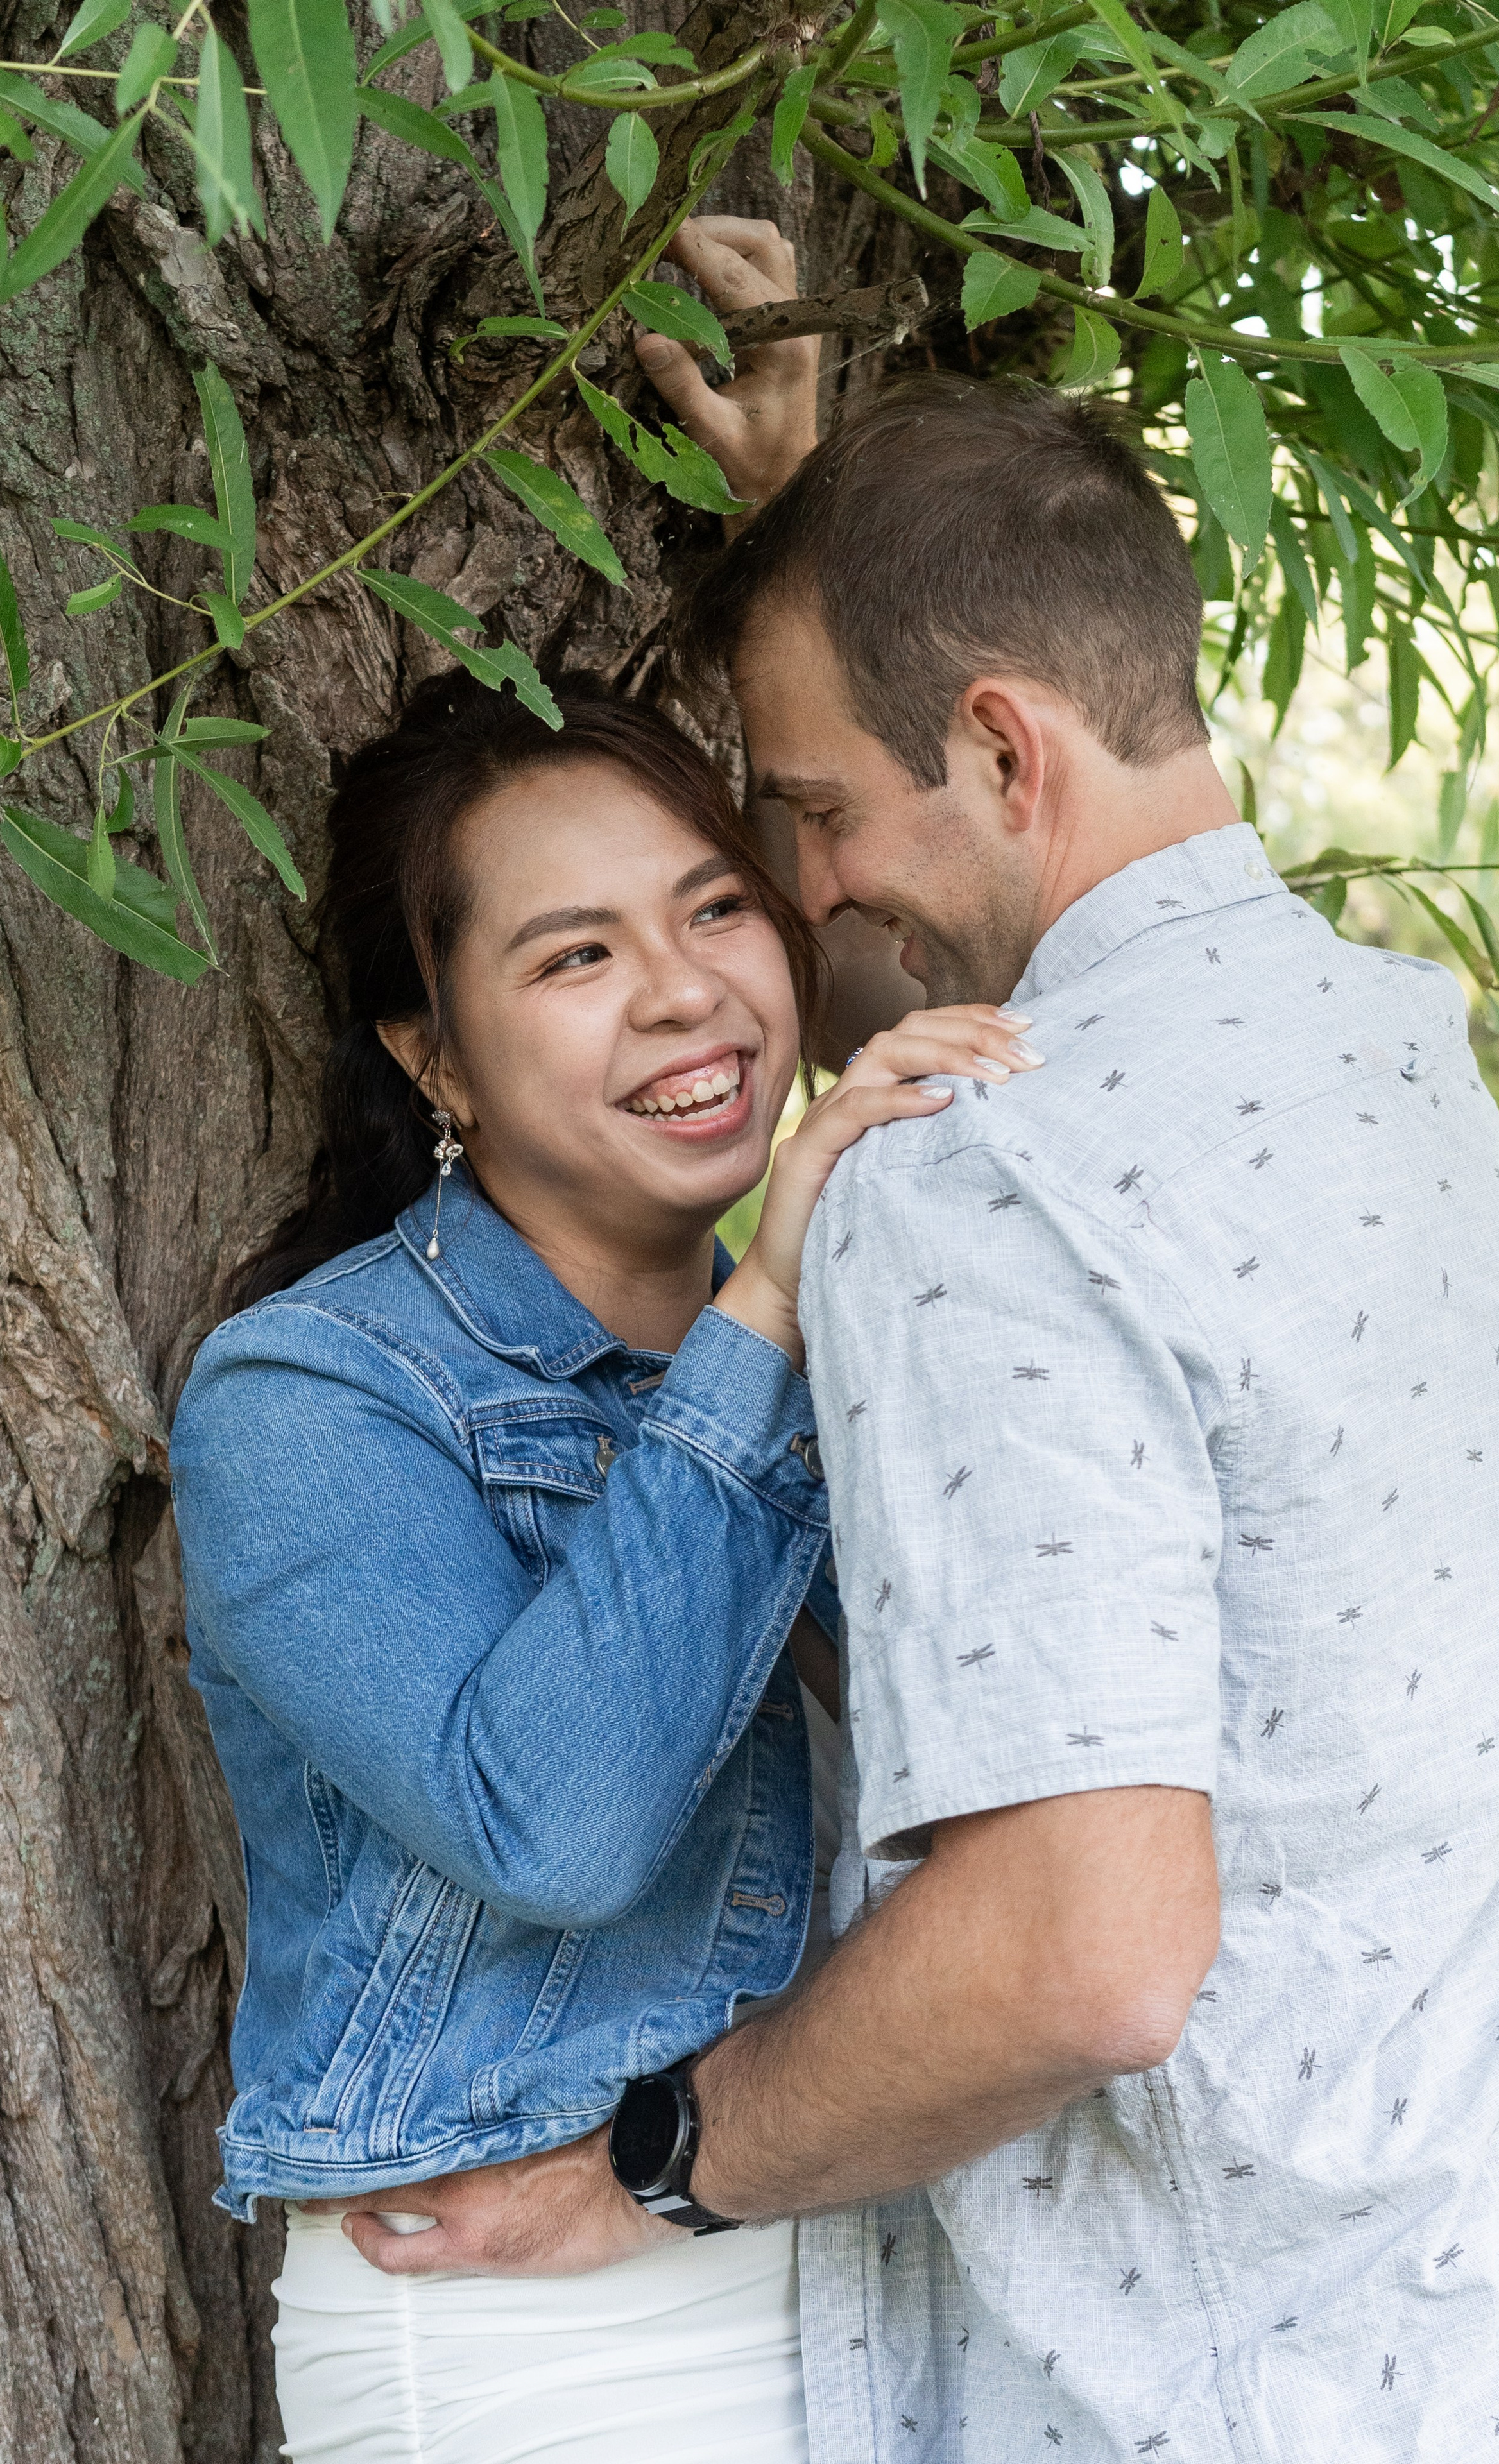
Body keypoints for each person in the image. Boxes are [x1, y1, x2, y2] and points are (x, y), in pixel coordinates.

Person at [354, 372, 1499, 2460]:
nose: (812, 896)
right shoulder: (1388, 1051)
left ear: (1003, 746)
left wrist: (656, 2162)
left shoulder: (975, 1175)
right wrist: (828, 530)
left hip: (1214, 2392)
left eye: (816, 812)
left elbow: (1081, 1954)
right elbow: (958, 866)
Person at [170, 654, 1042, 2458]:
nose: (682, 995)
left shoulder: (816, 1338)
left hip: (845, 2258)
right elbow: (553, 1831)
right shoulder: (311, 1393)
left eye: (716, 905)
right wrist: (773, 1310)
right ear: (432, 1053)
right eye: (574, 957)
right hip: (521, 2327)